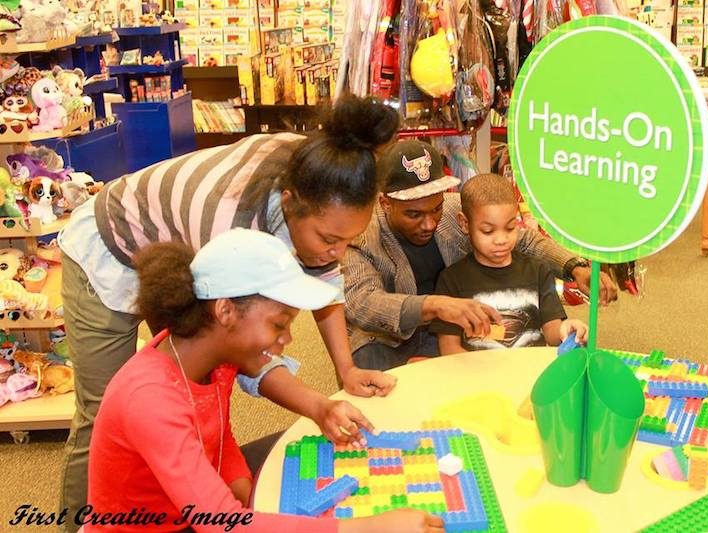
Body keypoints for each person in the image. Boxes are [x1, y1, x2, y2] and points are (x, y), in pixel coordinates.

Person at [59, 95, 400, 523]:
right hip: (110, 245)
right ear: (292, 202)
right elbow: (239, 345)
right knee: (105, 412)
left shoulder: (326, 173)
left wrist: (343, 373)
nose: (339, 254)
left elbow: (296, 300)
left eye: (350, 240)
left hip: (182, 261)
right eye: (331, 239)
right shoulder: (226, 224)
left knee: (190, 392)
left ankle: (184, 485)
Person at [86, 229, 444, 533]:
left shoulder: (211, 354)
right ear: (225, 310)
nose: (287, 339)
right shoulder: (148, 399)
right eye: (279, 324)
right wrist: (367, 527)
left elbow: (214, 430)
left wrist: (237, 475)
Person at [343, 140, 616, 371]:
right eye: (414, 214)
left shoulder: (455, 209)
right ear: (385, 203)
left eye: (435, 209)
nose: (429, 223)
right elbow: (362, 303)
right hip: (388, 340)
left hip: (453, 329)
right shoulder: (360, 234)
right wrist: (435, 305)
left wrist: (575, 267)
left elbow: (524, 240)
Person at [429, 174, 589, 354]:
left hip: (529, 374)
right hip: (477, 377)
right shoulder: (451, 280)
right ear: (465, 223)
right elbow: (449, 348)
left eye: (511, 228)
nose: (501, 240)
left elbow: (552, 331)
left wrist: (566, 330)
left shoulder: (538, 271)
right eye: (488, 231)